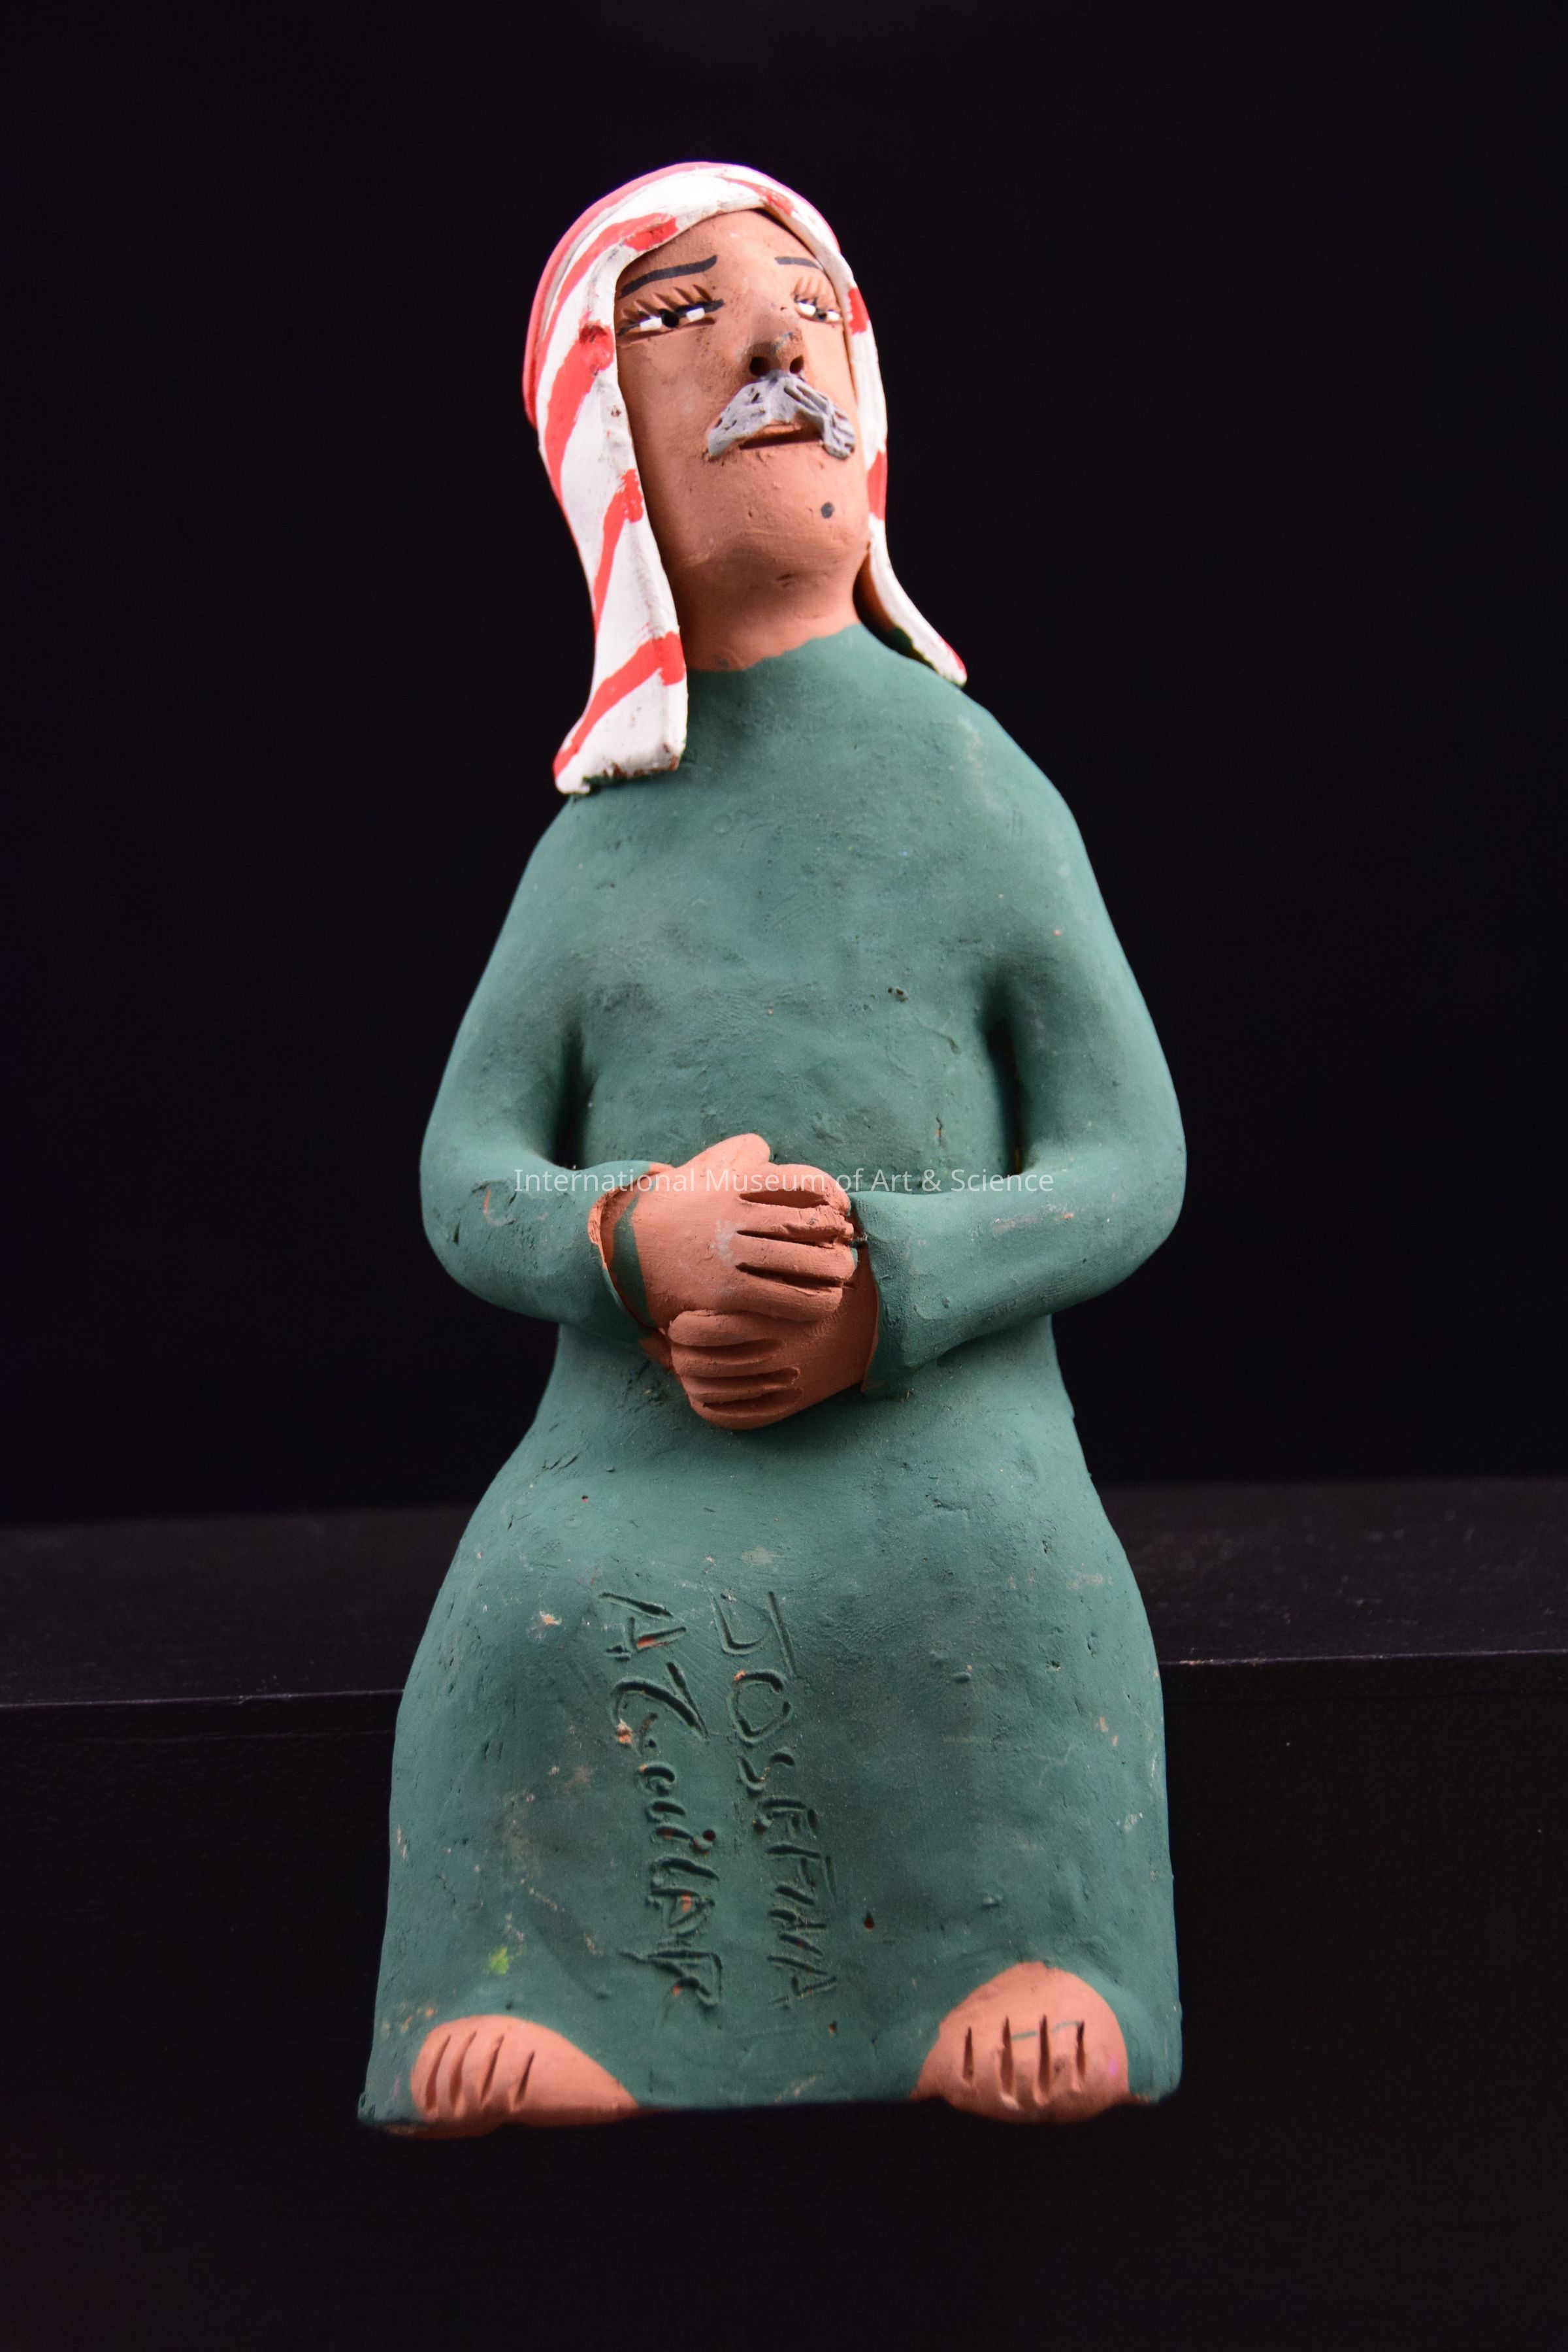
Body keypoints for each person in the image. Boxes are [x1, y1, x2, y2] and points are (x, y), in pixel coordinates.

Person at [361, 163, 1185, 2133]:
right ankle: (549, 1989)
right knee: (527, 1619)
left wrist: (892, 1289)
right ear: (603, 448)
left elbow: (1129, 1154)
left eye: (812, 307)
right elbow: (468, 1169)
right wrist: (636, 1238)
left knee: (1005, 1595)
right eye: (681, 319)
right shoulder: (598, 848)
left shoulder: (977, 789)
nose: (767, 347)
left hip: (944, 1423)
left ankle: (1038, 1958)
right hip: (635, 1448)